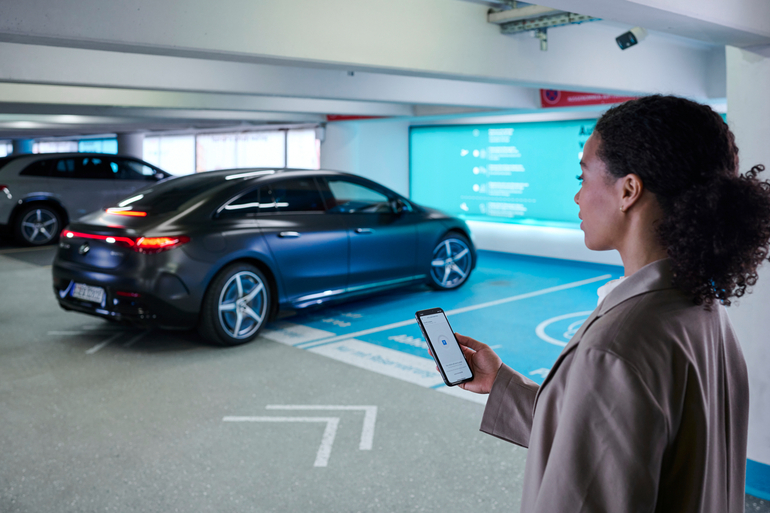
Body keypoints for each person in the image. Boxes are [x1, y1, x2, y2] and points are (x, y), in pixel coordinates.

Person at [457, 95, 770, 512]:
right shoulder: (702, 310)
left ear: (628, 190)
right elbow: (604, 439)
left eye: (583, 178)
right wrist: (501, 385)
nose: (577, 198)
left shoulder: (617, 347)